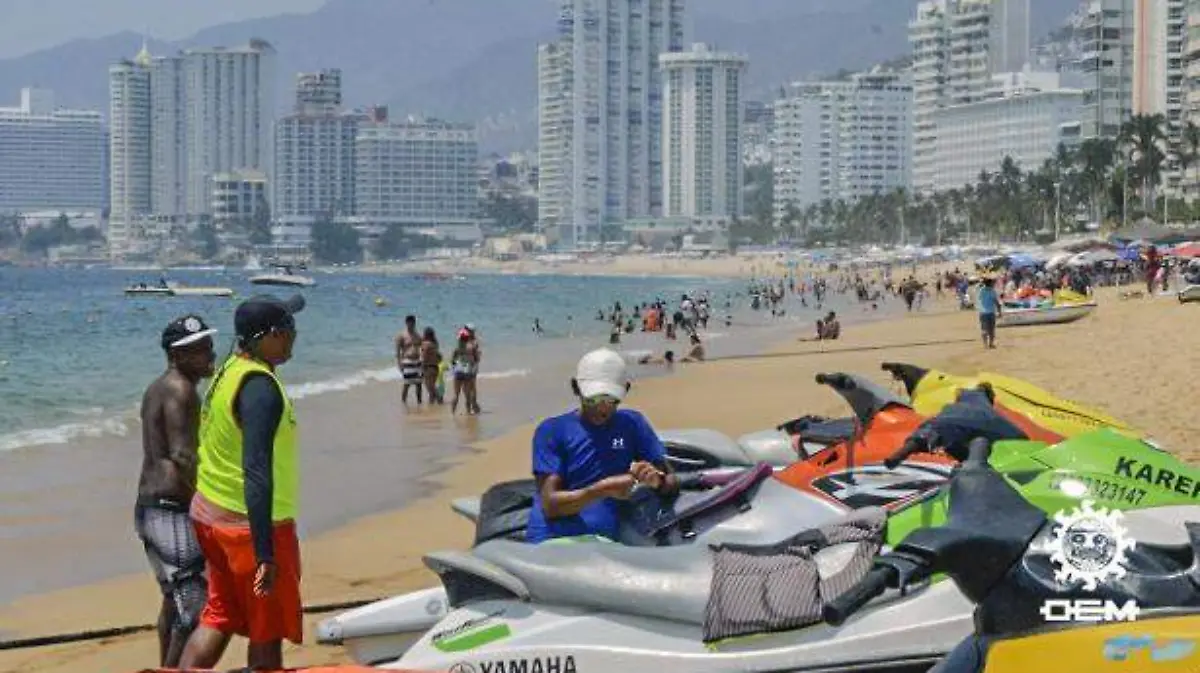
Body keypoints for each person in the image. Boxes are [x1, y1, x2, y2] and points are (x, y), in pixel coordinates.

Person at [179, 295, 305, 671]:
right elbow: (256, 470)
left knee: (220, 614)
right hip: (247, 529)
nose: (291, 336)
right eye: (285, 330)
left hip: (210, 515)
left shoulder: (229, 370)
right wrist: (266, 553)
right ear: (265, 337)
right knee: (266, 629)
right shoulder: (260, 389)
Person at [526, 349, 679, 543]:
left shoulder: (632, 424)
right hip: (553, 540)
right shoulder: (553, 431)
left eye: (610, 400)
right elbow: (550, 505)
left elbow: (671, 482)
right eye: (593, 399)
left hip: (602, 544)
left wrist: (658, 481)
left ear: (626, 390)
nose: (602, 408)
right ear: (575, 388)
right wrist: (600, 490)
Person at [135, 315, 217, 667]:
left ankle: (164, 667)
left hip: (148, 509)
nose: (209, 355)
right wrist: (211, 501)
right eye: (198, 350)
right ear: (175, 355)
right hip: (170, 510)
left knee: (173, 601)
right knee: (194, 606)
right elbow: (183, 455)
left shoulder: (157, 386)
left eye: (209, 346)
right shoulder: (181, 389)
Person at [449, 326, 480, 415]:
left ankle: (452, 413)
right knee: (467, 395)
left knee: (456, 395)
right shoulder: (472, 347)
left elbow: (452, 361)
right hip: (467, 371)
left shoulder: (457, 348)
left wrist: (455, 366)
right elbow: (476, 359)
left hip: (458, 371)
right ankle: (468, 412)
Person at [395, 315, 423, 405]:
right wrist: (399, 364)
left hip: (417, 361)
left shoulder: (418, 335)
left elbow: (422, 348)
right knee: (407, 384)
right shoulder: (401, 335)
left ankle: (419, 402)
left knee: (419, 385)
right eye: (409, 323)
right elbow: (398, 351)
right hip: (407, 362)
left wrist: (423, 360)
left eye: (413, 323)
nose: (411, 324)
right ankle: (403, 402)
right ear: (406, 323)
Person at [976, 277, 1002, 349]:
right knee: (991, 329)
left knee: (984, 329)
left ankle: (985, 344)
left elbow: (978, 294)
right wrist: (999, 311)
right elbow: (996, 302)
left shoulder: (981, 290)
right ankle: (991, 343)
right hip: (990, 312)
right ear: (990, 283)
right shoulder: (992, 291)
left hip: (982, 312)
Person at [420, 327, 442, 404]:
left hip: (428, 368)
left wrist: (421, 368)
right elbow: (439, 356)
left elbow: (424, 357)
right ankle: (432, 404)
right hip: (435, 367)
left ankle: (440, 400)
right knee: (432, 388)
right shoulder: (435, 344)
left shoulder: (426, 344)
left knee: (430, 389)